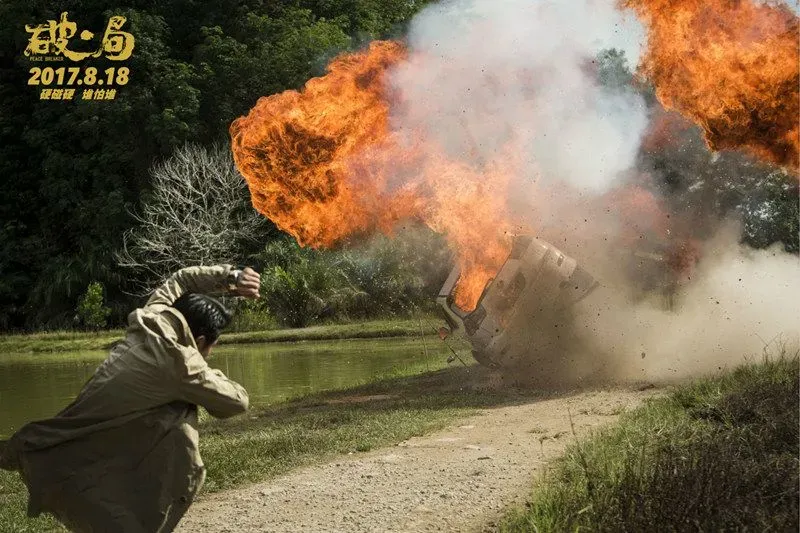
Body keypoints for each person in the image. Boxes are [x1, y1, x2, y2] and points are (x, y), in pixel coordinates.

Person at [0, 264, 261, 532]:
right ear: (201, 339)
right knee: (180, 415)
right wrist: (208, 371)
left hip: (79, 435)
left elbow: (181, 279)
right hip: (81, 452)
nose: (210, 355)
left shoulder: (153, 316)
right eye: (211, 348)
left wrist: (233, 277)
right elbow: (236, 402)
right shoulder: (181, 365)